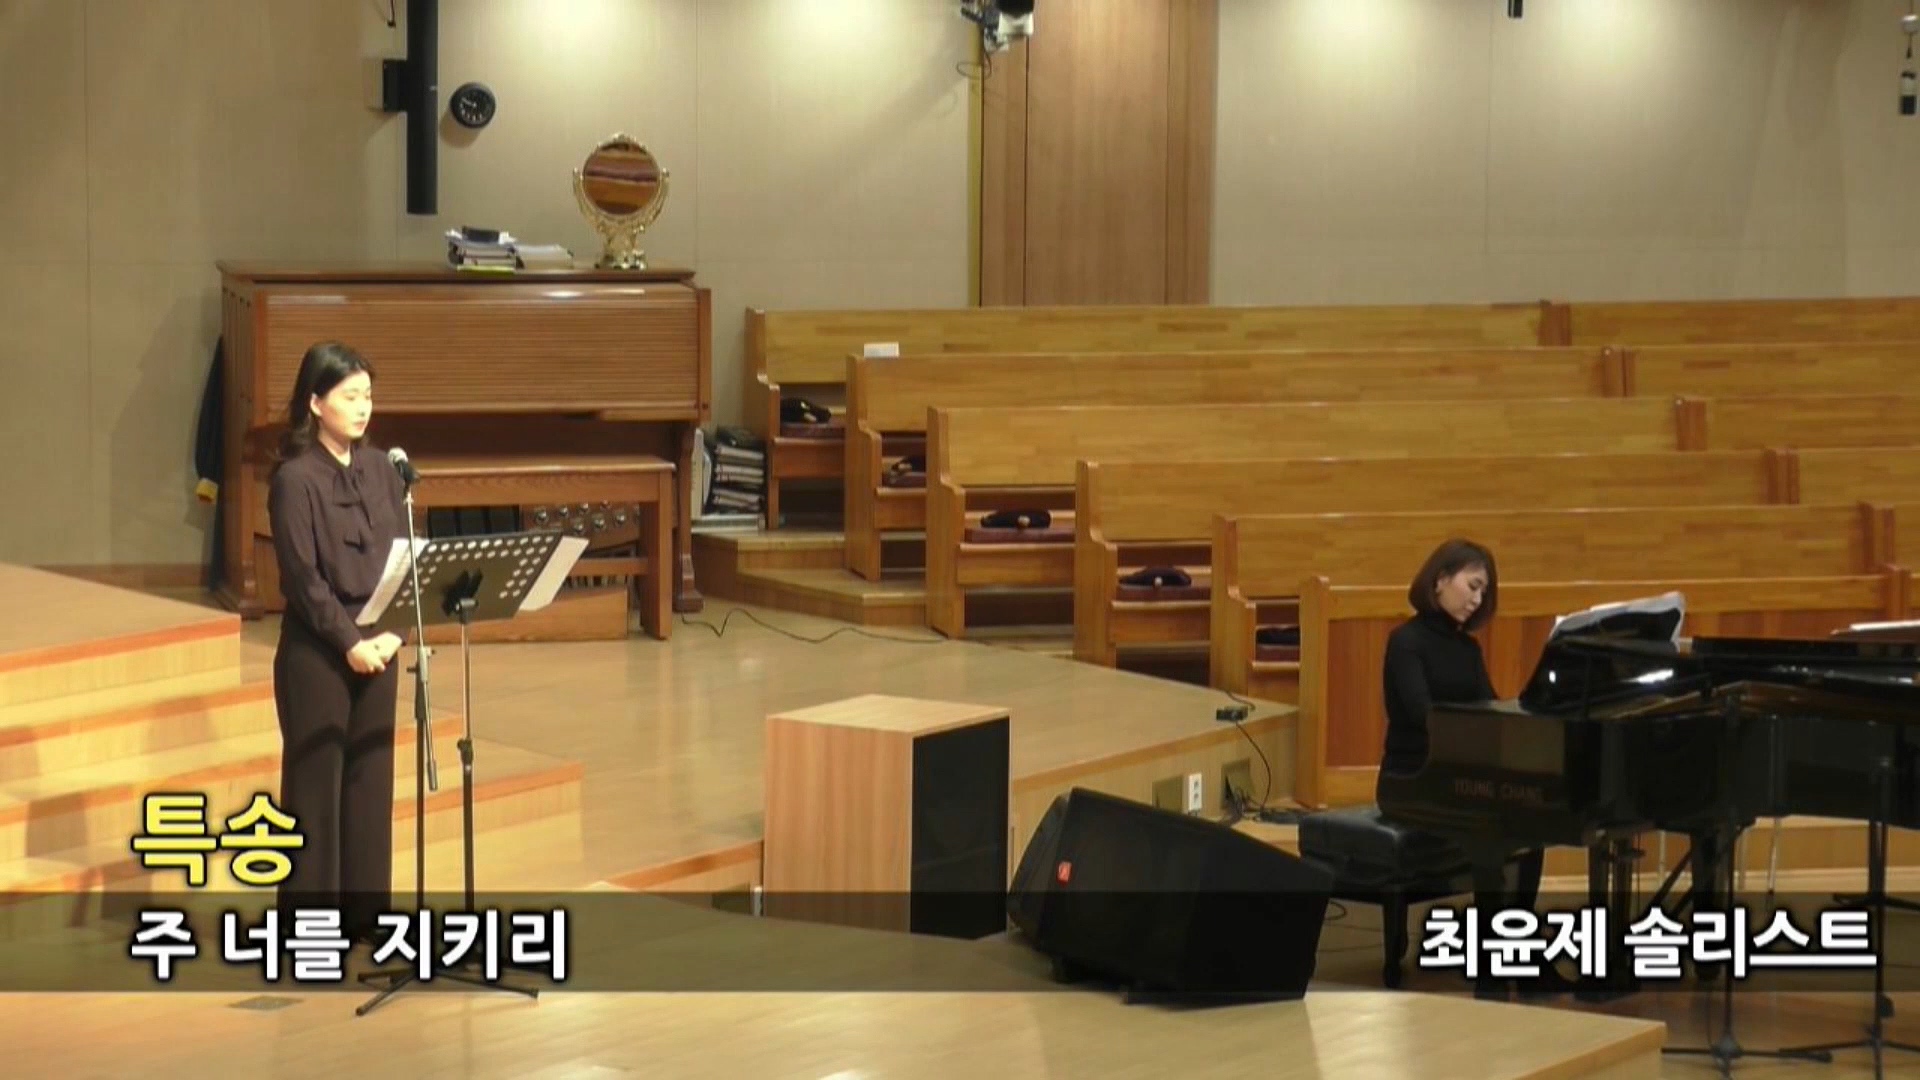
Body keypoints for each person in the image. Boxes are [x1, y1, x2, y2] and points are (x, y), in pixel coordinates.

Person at [267, 341, 409, 942]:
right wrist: (350, 641)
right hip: (319, 652)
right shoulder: (294, 478)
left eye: (368, 396)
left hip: (382, 643)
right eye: (350, 396)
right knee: (315, 791)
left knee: (371, 783)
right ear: (315, 402)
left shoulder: (382, 469)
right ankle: (310, 927)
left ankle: (368, 920)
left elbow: (405, 554)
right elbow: (303, 578)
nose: (362, 407)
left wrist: (395, 631)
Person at [1377, 538, 1551, 996]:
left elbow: (1489, 708)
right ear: (1440, 580)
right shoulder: (1405, 643)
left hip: (1458, 776)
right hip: (1410, 778)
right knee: (1490, 826)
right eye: (1473, 586)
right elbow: (1423, 716)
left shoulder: (1468, 649)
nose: (1477, 599)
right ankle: (1492, 971)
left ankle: (1517, 948)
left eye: (1483, 592)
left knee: (1536, 824)